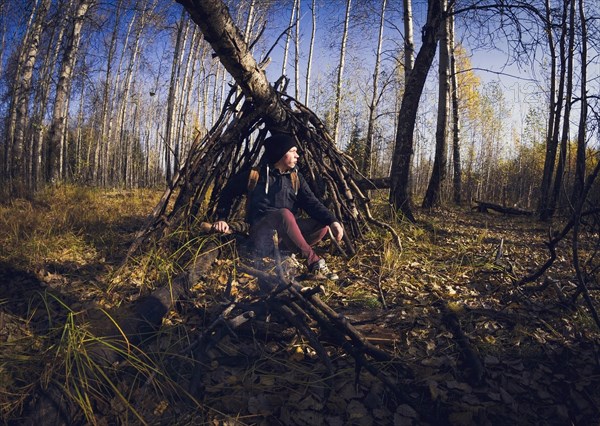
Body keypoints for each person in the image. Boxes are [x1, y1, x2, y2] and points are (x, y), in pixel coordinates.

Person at [213, 133, 344, 280]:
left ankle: (285, 253)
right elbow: (228, 192)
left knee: (322, 226)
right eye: (293, 151)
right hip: (262, 234)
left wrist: (333, 220)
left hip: (286, 235)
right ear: (281, 153)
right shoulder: (255, 175)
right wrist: (222, 218)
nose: (297, 156)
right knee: (284, 214)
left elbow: (312, 203)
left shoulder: (295, 178)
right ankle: (314, 262)